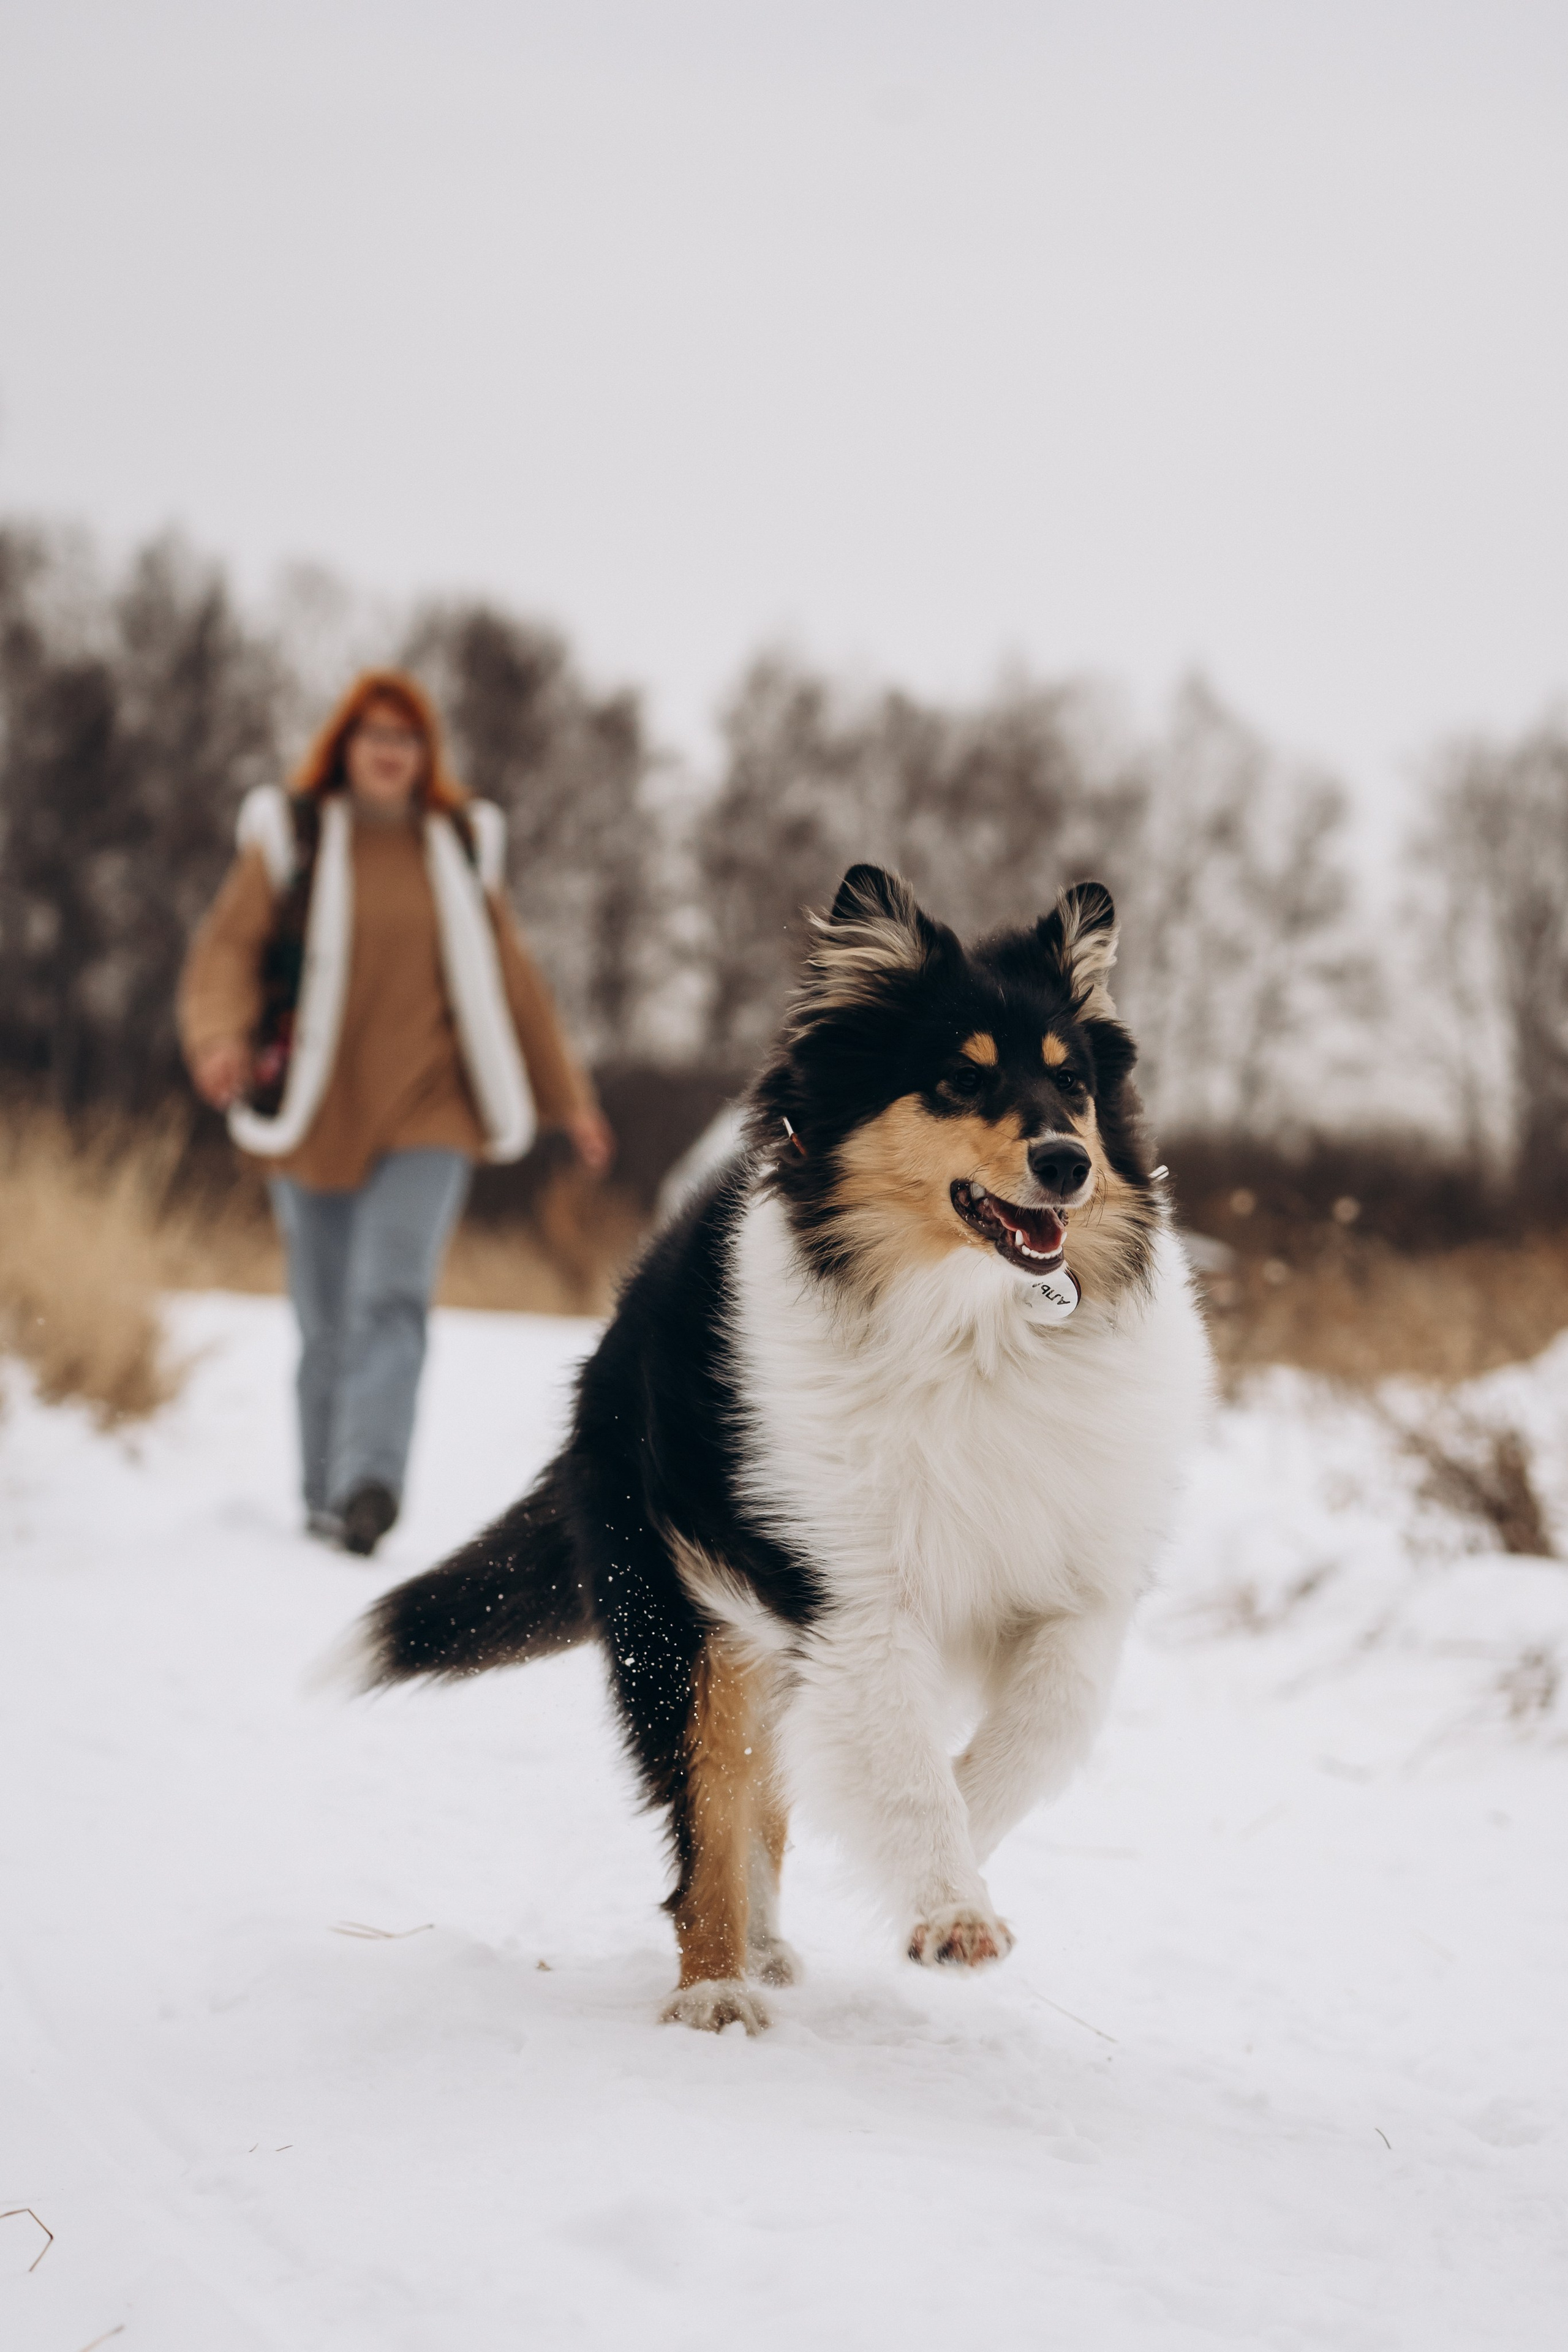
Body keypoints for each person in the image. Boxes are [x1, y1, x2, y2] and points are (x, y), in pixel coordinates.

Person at [178, 670, 612, 1558]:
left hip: (431, 1112)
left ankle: (369, 1485)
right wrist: (219, 1037)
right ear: (345, 745)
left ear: (425, 755)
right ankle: (321, 1491)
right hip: (314, 1106)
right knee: (326, 1313)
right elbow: (227, 950)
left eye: (406, 737)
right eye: (373, 733)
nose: (389, 749)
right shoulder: (291, 838)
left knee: (392, 1297)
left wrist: (570, 1100)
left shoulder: (456, 849)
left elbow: (516, 983)